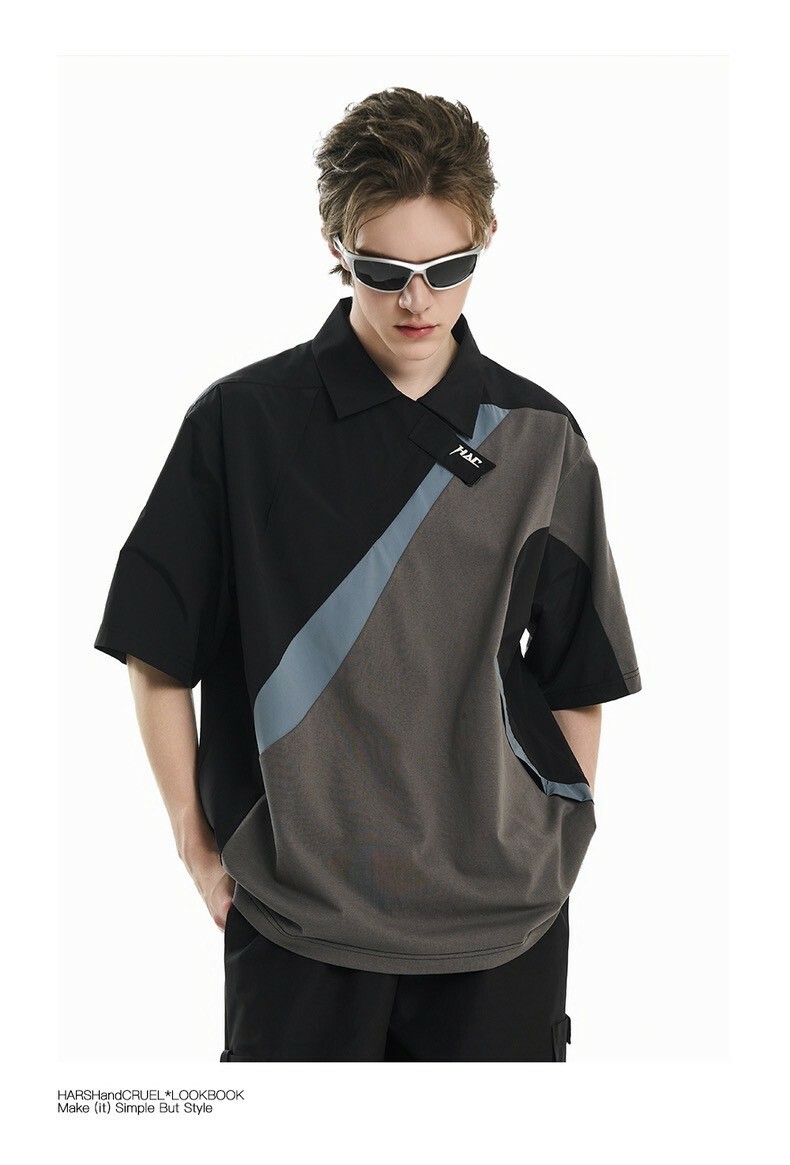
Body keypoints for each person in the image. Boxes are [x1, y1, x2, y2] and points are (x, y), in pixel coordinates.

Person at [94, 86, 642, 1062]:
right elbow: (157, 649)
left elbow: (577, 676)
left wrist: (548, 855)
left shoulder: (540, 438)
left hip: (502, 927)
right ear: (336, 248)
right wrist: (195, 846)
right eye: (385, 270)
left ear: (485, 239)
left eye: (447, 269)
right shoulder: (241, 425)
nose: (416, 301)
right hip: (297, 920)